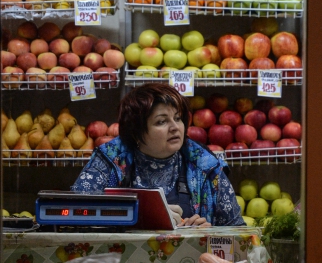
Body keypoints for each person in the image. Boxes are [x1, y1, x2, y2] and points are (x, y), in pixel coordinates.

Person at [71, 83, 245, 227]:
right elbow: (75, 212)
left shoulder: (204, 164)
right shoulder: (111, 158)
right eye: (161, 121)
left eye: (177, 118)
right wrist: (138, 216)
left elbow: (238, 232)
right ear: (135, 132)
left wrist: (207, 235)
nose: (175, 127)